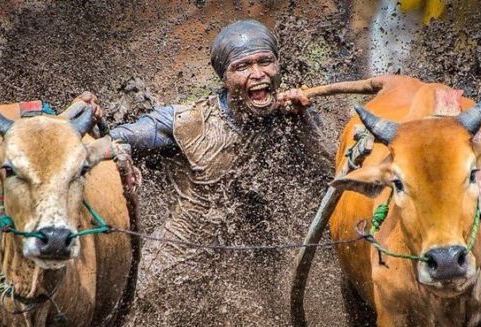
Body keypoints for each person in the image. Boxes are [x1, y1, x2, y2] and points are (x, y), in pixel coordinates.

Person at [76, 20, 330, 284]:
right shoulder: (188, 123)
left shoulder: (294, 116)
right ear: (224, 78)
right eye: (242, 67)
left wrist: (306, 121)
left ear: (278, 65)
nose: (257, 74)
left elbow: (335, 174)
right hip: (175, 260)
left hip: (254, 264)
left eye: (265, 62)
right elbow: (107, 142)